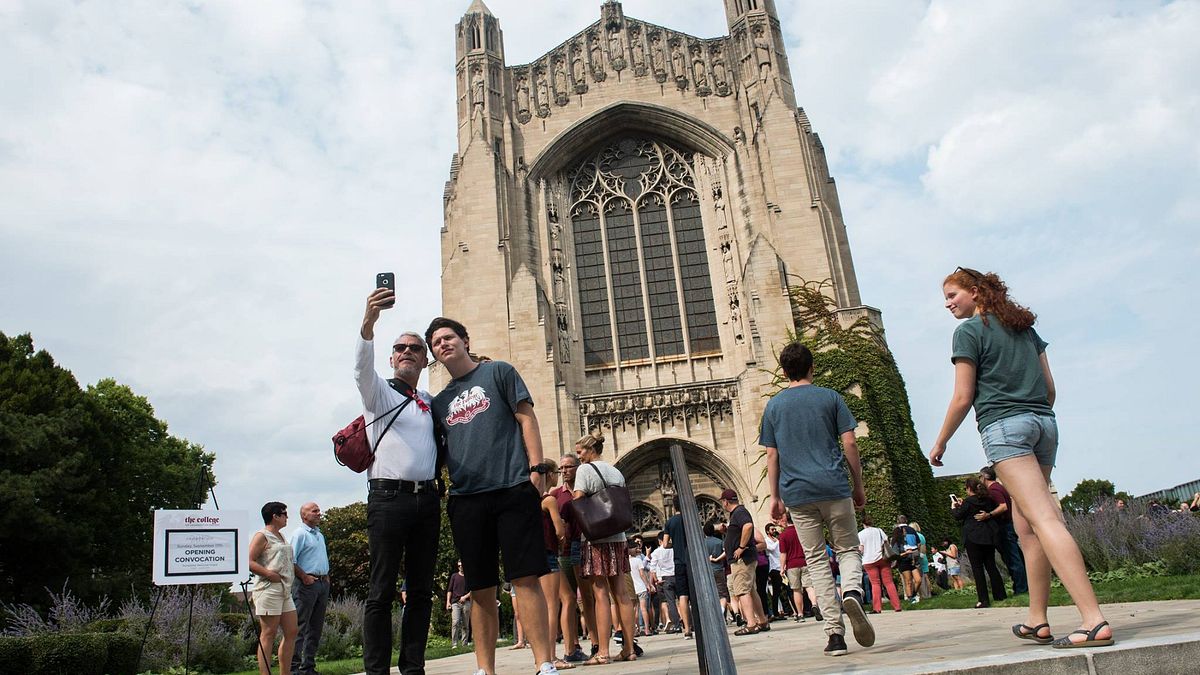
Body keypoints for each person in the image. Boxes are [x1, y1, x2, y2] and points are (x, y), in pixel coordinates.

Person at [930, 267, 1113, 648]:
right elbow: (1049, 388)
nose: (947, 304)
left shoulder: (968, 332)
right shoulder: (1024, 328)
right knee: (1025, 524)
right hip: (1043, 424)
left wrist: (941, 442)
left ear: (976, 292)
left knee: (1044, 518)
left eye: (952, 295)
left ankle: (1093, 620)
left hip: (1005, 428)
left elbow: (963, 396)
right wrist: (1035, 416)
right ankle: (1037, 619)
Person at [425, 317, 560, 675]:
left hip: (512, 488)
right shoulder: (440, 403)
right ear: (434, 354)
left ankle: (544, 663)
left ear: (465, 340)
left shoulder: (499, 372)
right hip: (467, 499)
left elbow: (526, 418)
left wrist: (536, 470)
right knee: (482, 588)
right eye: (436, 342)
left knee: (525, 579)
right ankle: (485, 668)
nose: (443, 344)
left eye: (448, 337)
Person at [763, 342, 874, 657]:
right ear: (812, 367)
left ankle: (835, 635)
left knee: (816, 562)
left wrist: (775, 496)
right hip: (834, 486)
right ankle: (851, 590)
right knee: (847, 549)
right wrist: (858, 485)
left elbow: (773, 454)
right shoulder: (831, 397)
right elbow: (850, 443)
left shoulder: (774, 406)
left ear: (784, 372)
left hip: (797, 492)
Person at [359, 289, 441, 675]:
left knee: (421, 592)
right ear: (392, 358)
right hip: (388, 500)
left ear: (425, 360)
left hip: (426, 503)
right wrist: (369, 321)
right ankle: (377, 670)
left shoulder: (427, 399)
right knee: (381, 590)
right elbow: (361, 369)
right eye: (400, 347)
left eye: (415, 348)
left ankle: (413, 667)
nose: (407, 351)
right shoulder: (379, 394)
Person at [572, 430, 638, 664]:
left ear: (590, 451)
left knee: (600, 594)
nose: (578, 457)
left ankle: (602, 653)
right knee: (621, 593)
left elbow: (578, 500)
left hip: (596, 539)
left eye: (580, 452)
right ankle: (629, 649)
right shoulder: (616, 471)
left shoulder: (584, 470)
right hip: (618, 537)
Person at [551, 455, 591, 663]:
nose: (564, 471)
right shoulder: (555, 494)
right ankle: (573, 644)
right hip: (564, 553)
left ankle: (594, 642)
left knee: (585, 598)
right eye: (561, 468)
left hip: (583, 546)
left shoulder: (585, 490)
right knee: (567, 600)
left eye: (568, 467)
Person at [535, 459, 575, 670]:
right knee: (551, 606)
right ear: (549, 475)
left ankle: (568, 648)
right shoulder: (548, 499)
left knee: (567, 597)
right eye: (556, 473)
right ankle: (550, 656)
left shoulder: (529, 498)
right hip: (549, 553)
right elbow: (560, 531)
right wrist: (562, 532)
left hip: (535, 554)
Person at [249, 502, 298, 675]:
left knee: (292, 631)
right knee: (268, 633)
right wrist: (269, 574)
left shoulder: (281, 536)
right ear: (275, 516)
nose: (287, 517)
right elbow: (250, 561)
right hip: (268, 589)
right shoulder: (262, 536)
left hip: (285, 589)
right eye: (284, 514)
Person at [720, 489, 769, 636]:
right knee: (751, 591)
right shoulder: (738, 513)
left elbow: (748, 526)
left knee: (742, 591)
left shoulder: (739, 512)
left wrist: (741, 547)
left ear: (725, 501)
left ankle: (751, 624)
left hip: (742, 559)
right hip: (745, 558)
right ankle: (762, 621)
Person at [951, 478, 1007, 608]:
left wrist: (954, 507)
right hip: (988, 535)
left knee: (977, 569)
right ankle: (1000, 594)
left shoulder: (968, 502)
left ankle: (983, 599)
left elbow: (958, 515)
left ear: (969, 488)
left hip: (973, 537)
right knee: (991, 566)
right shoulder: (987, 500)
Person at [290, 502, 330, 675]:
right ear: (304, 515)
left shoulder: (319, 535)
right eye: (314, 511)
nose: (319, 513)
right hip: (306, 584)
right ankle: (293, 668)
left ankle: (308, 667)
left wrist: (326, 577)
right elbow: (290, 560)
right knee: (299, 626)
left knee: (315, 627)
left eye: (319, 511)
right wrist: (304, 576)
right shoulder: (300, 534)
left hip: (321, 584)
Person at [979, 465, 1029, 595]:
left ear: (985, 477)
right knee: (1016, 557)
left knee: (1012, 558)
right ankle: (1023, 585)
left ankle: (1021, 588)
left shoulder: (994, 490)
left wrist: (988, 515)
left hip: (1004, 527)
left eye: (980, 477)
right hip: (1007, 526)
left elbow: (1003, 506)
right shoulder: (999, 487)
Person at [779, 514, 821, 622]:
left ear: (785, 521)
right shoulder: (801, 531)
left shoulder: (783, 535)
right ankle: (814, 604)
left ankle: (800, 614)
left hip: (792, 564)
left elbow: (783, 553)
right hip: (804, 561)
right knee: (810, 587)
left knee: (796, 590)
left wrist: (782, 567)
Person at [661, 496, 694, 638]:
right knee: (696, 595)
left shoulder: (670, 522)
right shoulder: (690, 519)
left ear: (674, 506)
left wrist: (675, 545)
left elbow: (665, 544)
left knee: (682, 596)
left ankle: (687, 629)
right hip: (693, 561)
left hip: (679, 562)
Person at [857, 515, 900, 614]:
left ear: (863, 524)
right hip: (882, 558)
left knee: (875, 584)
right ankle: (897, 606)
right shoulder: (879, 530)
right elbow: (885, 541)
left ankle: (877, 608)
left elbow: (861, 549)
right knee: (889, 582)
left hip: (869, 560)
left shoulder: (861, 534)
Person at [648, 531, 680, 632]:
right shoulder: (674, 549)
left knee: (671, 603)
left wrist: (657, 580)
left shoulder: (656, 552)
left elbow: (652, 568)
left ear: (659, 541)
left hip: (666, 578)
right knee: (683, 600)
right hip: (677, 576)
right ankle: (689, 623)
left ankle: (677, 625)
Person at [703, 520, 733, 622]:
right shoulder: (719, 542)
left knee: (710, 593)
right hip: (718, 569)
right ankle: (721, 612)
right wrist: (717, 559)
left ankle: (714, 615)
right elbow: (726, 552)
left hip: (706, 571)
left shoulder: (701, 543)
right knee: (722, 594)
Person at [892, 516, 921, 603]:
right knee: (908, 581)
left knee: (918, 580)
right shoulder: (911, 531)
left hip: (911, 559)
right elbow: (896, 553)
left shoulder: (900, 532)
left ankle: (913, 595)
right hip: (904, 560)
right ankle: (910, 599)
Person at [447, 561, 472, 648]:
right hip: (455, 602)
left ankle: (464, 644)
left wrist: (465, 597)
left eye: (462, 565)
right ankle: (454, 644)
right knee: (455, 622)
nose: (460, 567)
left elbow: (472, 590)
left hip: (466, 602)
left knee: (465, 624)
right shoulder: (454, 576)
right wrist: (448, 602)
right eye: (459, 566)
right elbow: (449, 590)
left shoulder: (469, 577)